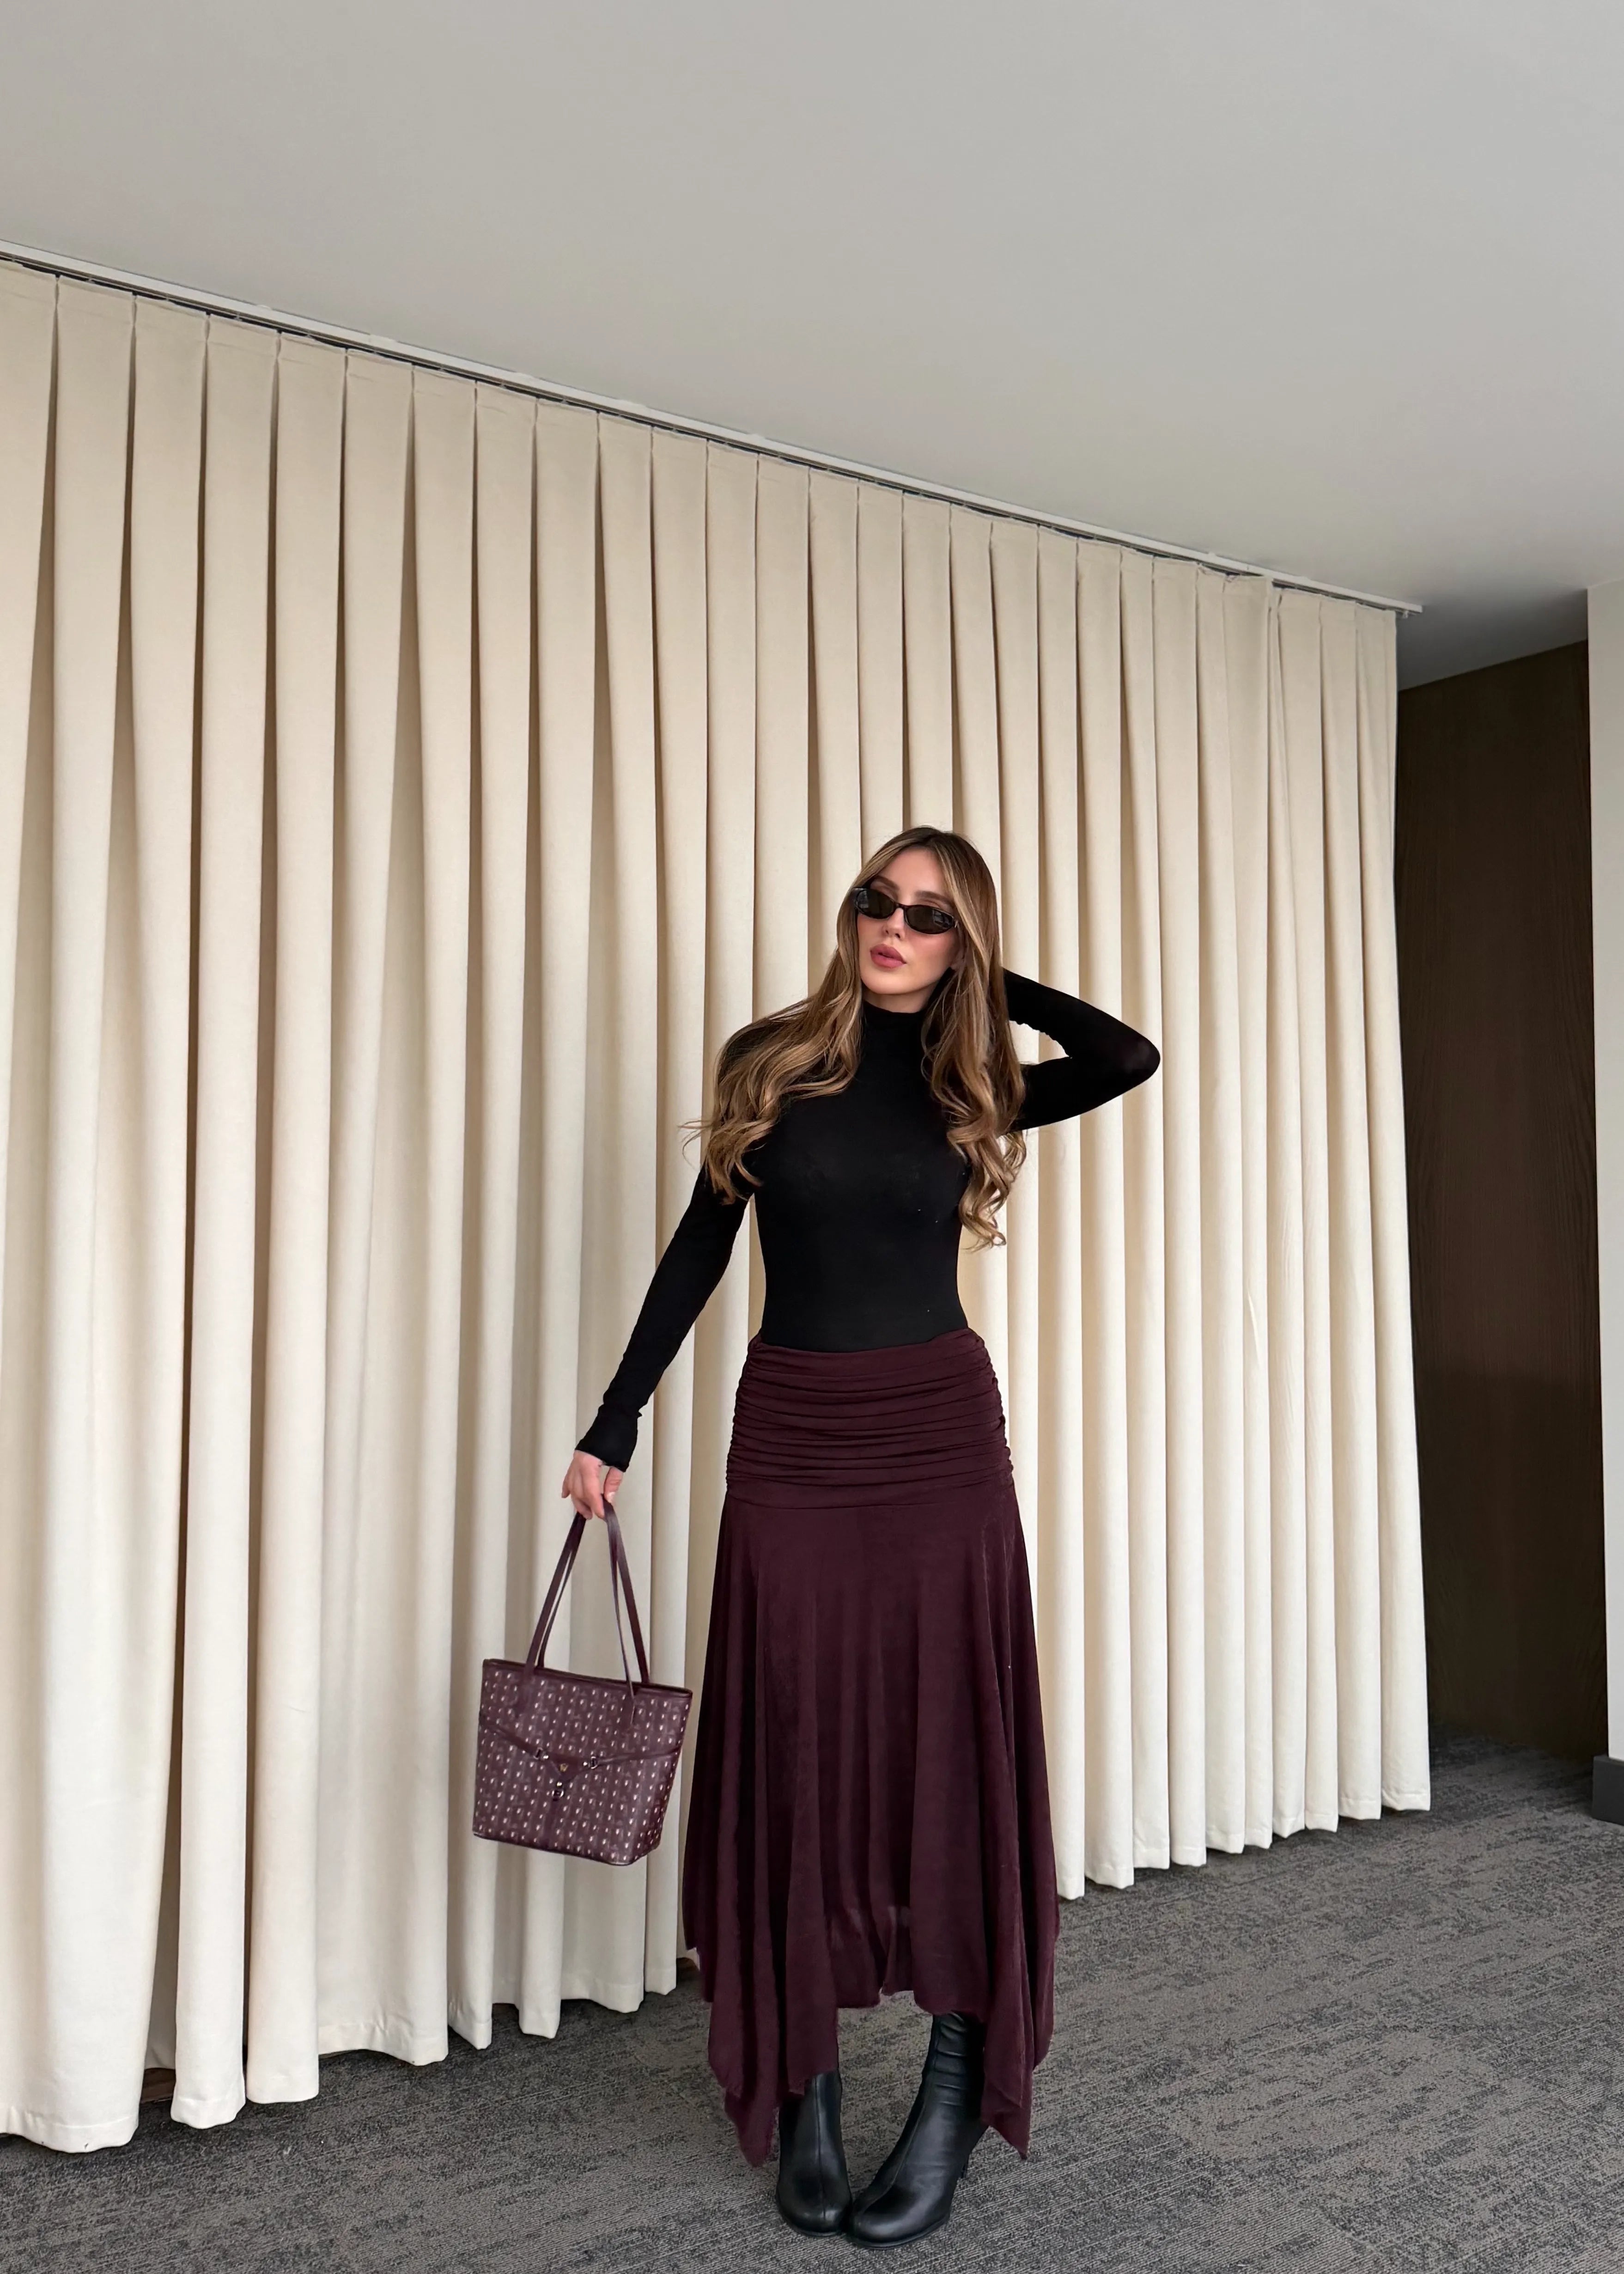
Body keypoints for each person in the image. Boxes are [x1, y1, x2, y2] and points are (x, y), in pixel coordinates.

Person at [560, 825, 1160, 2246]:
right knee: (799, 1746)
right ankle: (805, 2080)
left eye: (929, 916)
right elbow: (701, 1245)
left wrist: (986, 986)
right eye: (876, 901)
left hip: (937, 1440)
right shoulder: (767, 1061)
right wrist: (614, 1421)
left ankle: (953, 2082)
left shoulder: (974, 1079)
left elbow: (1125, 1055)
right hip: (795, 1438)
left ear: (964, 943)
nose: (891, 926)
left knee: (949, 1741)